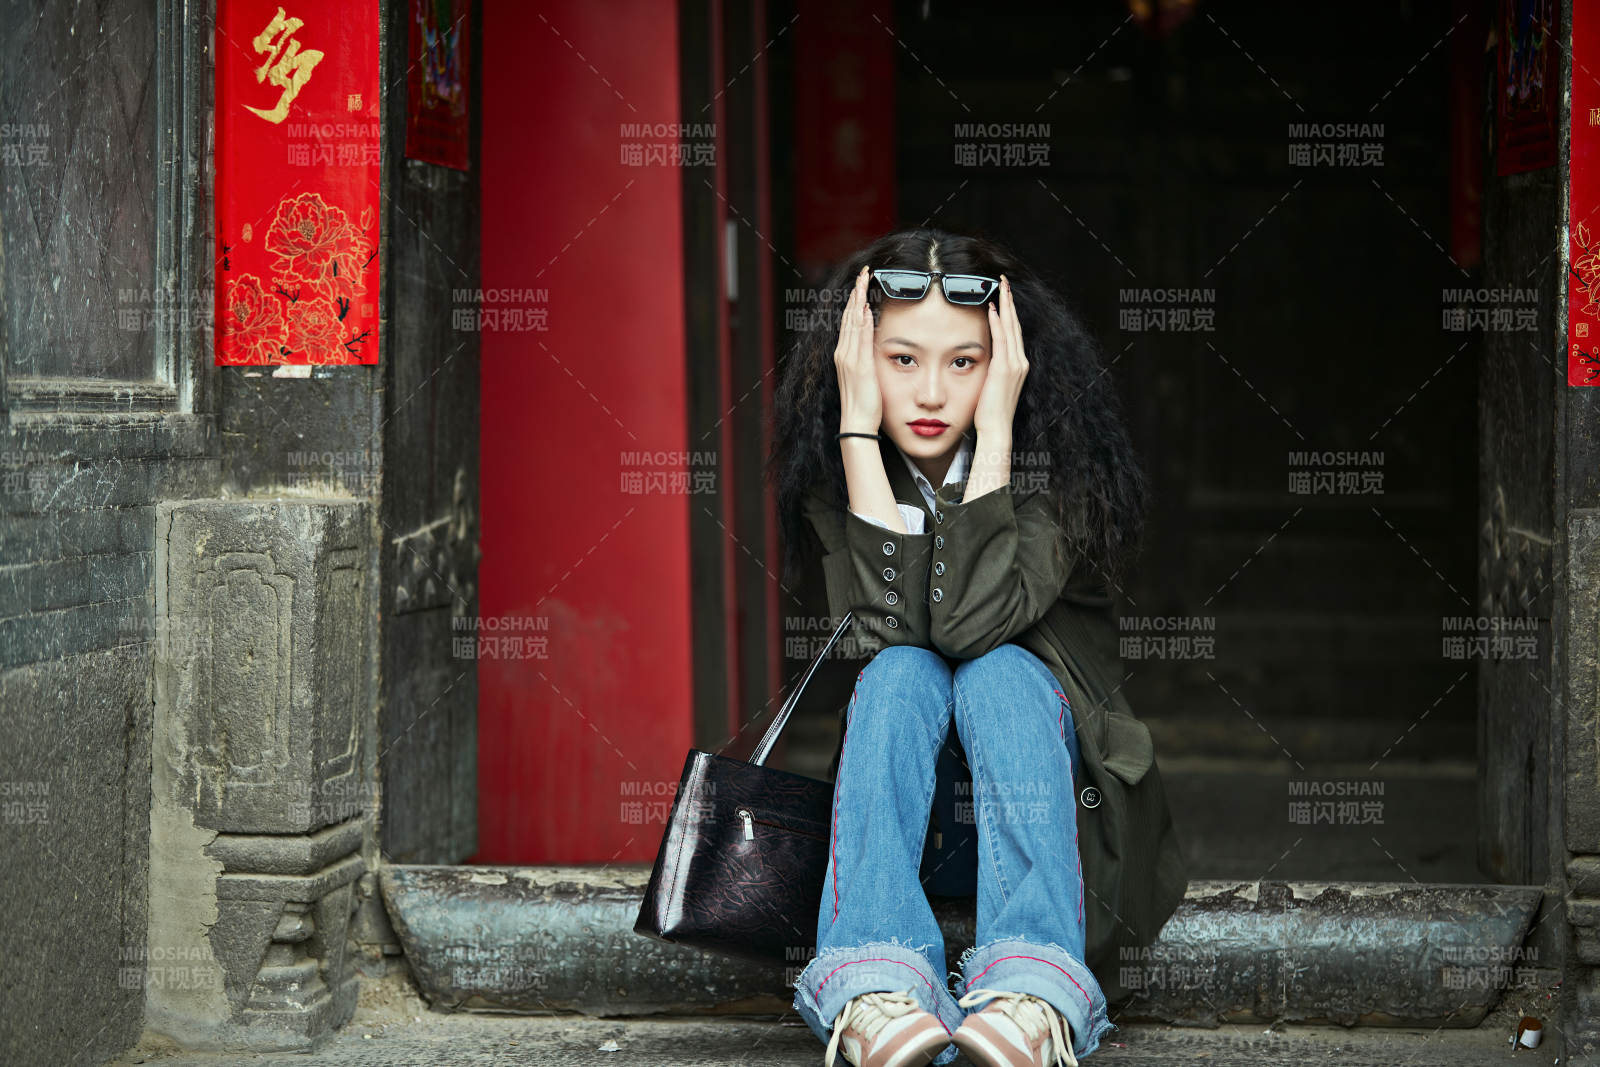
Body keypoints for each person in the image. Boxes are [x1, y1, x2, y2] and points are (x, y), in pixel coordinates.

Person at [766, 228, 1187, 1067]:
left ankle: (1033, 989)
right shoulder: (842, 478)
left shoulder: (1056, 475)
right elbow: (890, 635)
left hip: (1066, 832)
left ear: (1008, 366)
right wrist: (856, 441)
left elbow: (972, 623)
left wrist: (993, 441)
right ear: (856, 360)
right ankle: (874, 986)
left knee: (997, 671)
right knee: (897, 673)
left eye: (965, 362)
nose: (930, 391)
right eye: (900, 359)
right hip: (917, 840)